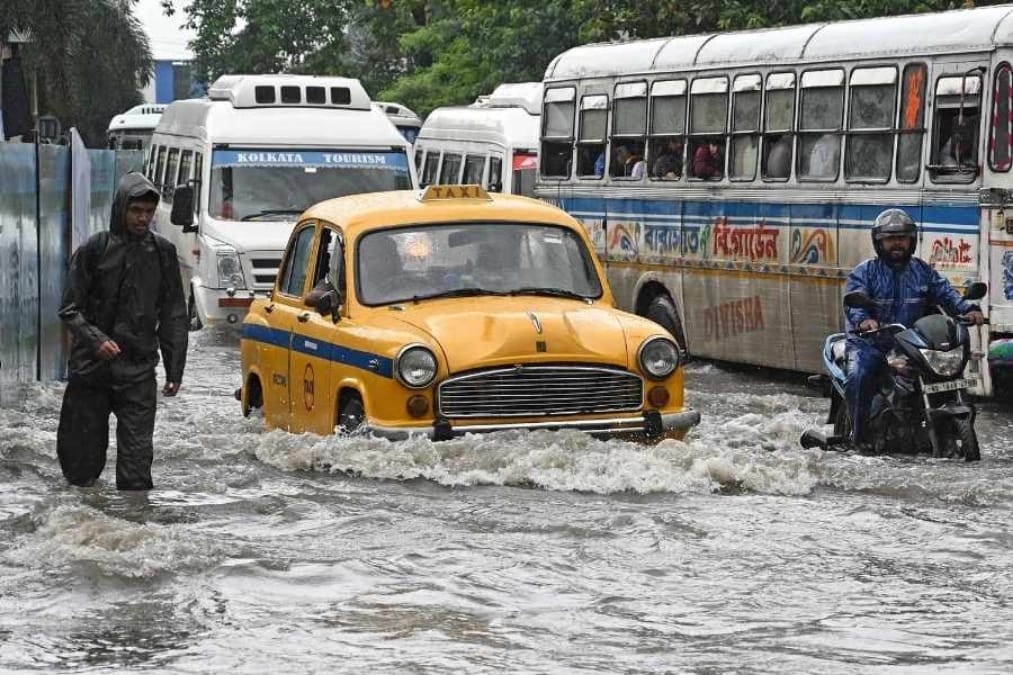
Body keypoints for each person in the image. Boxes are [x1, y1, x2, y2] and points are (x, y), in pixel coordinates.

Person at [56, 172, 188, 491]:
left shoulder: (162, 253)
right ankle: (84, 527)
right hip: (91, 372)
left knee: (137, 468)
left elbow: (173, 314)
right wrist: (96, 340)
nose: (142, 218)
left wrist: (175, 369)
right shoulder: (95, 249)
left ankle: (135, 522)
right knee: (80, 469)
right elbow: (69, 309)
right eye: (136, 211)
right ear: (121, 210)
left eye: (148, 212)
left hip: (138, 372)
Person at [843, 208, 984, 450]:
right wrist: (864, 321)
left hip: (913, 345)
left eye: (902, 238)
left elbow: (947, 294)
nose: (897, 244)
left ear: (912, 240)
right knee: (860, 375)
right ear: (879, 242)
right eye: (890, 239)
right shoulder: (865, 272)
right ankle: (859, 438)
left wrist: (968, 309)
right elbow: (854, 303)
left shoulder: (922, 271)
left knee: (951, 371)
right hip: (872, 344)